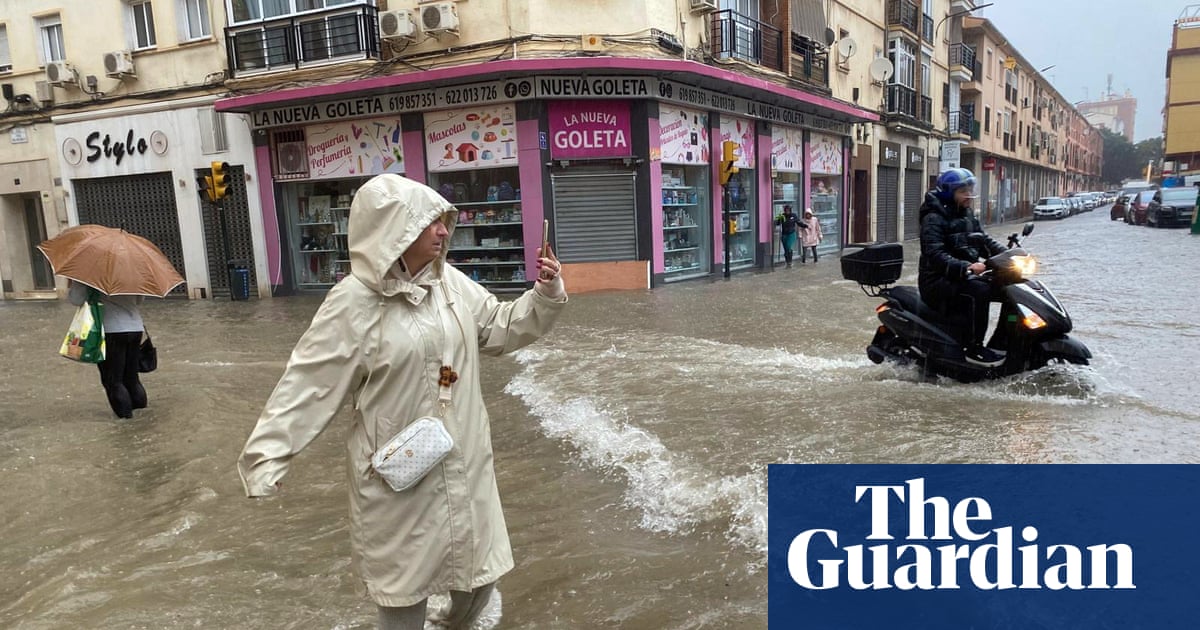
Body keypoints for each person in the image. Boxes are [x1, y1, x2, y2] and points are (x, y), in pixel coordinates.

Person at [236, 174, 567, 630]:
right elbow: (309, 383)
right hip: (400, 476)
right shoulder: (352, 303)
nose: (443, 231)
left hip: (464, 461)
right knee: (403, 593)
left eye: (443, 221)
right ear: (394, 229)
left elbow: (498, 326)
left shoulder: (448, 283)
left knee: (478, 579)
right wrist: (267, 456)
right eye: (431, 222)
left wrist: (544, 294)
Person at [917, 167, 1008, 367]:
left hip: (961, 277)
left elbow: (984, 240)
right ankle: (973, 348)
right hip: (937, 281)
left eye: (970, 189)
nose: (969, 194)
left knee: (1007, 287)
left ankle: (1006, 341)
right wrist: (967, 266)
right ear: (949, 193)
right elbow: (935, 254)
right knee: (980, 291)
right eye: (963, 191)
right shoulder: (933, 218)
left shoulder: (966, 214)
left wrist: (1008, 255)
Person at [67, 280, 146, 419]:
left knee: (113, 381)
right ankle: (142, 418)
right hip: (135, 328)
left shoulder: (89, 274)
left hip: (110, 330)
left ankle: (126, 423)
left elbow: (76, 300)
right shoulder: (131, 272)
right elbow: (139, 300)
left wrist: (75, 283)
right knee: (132, 378)